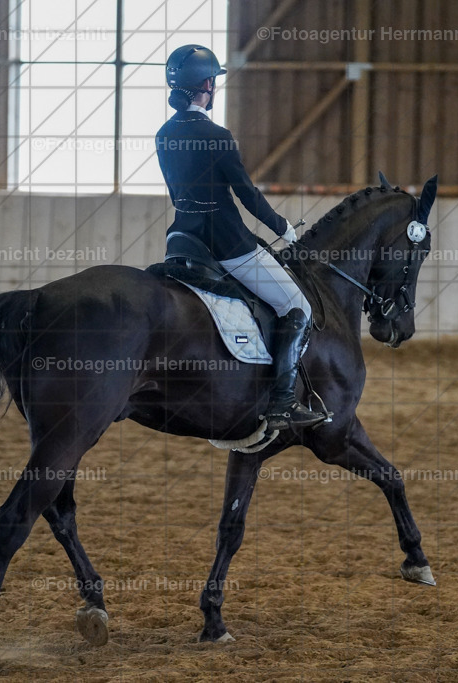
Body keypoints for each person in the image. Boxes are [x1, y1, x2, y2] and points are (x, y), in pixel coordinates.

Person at [155, 44, 325, 431]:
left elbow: (177, 194)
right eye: (213, 81)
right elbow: (246, 194)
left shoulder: (164, 135)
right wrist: (283, 227)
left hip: (181, 239)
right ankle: (283, 402)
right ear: (206, 85)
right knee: (297, 306)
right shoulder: (217, 135)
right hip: (227, 245)